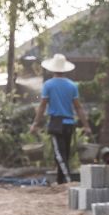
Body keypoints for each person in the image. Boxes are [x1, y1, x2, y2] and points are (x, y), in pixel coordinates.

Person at [28, 53, 93, 184]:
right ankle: (60, 181)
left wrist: (35, 123)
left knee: (59, 154)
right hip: (69, 123)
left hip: (56, 123)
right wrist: (86, 126)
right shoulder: (72, 85)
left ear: (52, 69)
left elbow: (42, 106)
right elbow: (78, 108)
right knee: (65, 153)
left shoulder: (48, 85)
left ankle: (67, 182)